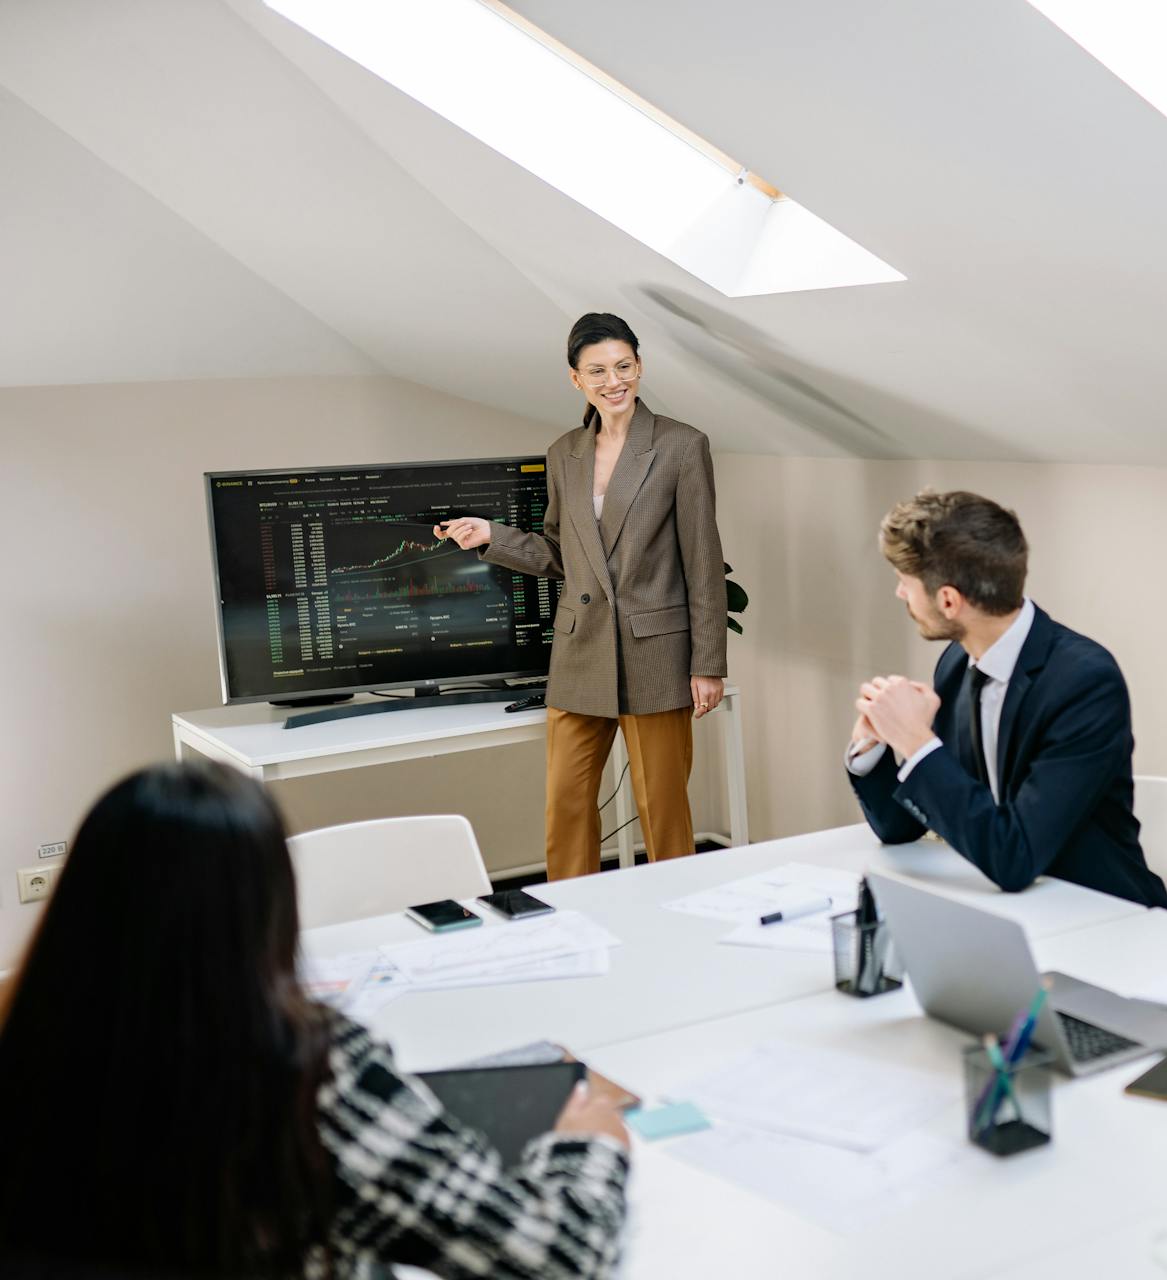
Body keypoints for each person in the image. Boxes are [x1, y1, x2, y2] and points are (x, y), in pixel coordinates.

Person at [0, 762, 632, 1279]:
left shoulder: (30, 1045)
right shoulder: (302, 1075)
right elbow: (555, 1257)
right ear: (269, 908)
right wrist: (590, 1143)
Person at [437, 312, 728, 879]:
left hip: (655, 654)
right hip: (579, 653)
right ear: (576, 379)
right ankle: (570, 922)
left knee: (662, 812)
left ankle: (681, 915)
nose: (613, 381)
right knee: (566, 806)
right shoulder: (563, 451)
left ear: (640, 367)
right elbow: (559, 554)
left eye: (623, 366)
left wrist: (708, 663)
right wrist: (491, 536)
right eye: (597, 371)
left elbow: (703, 560)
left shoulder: (681, 446)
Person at [846, 490, 1167, 909]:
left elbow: (1015, 857)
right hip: (1007, 907)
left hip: (1101, 912)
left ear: (948, 600)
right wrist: (875, 746)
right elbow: (900, 829)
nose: (900, 594)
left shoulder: (1085, 683)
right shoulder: (956, 663)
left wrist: (916, 742)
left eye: (905, 583)